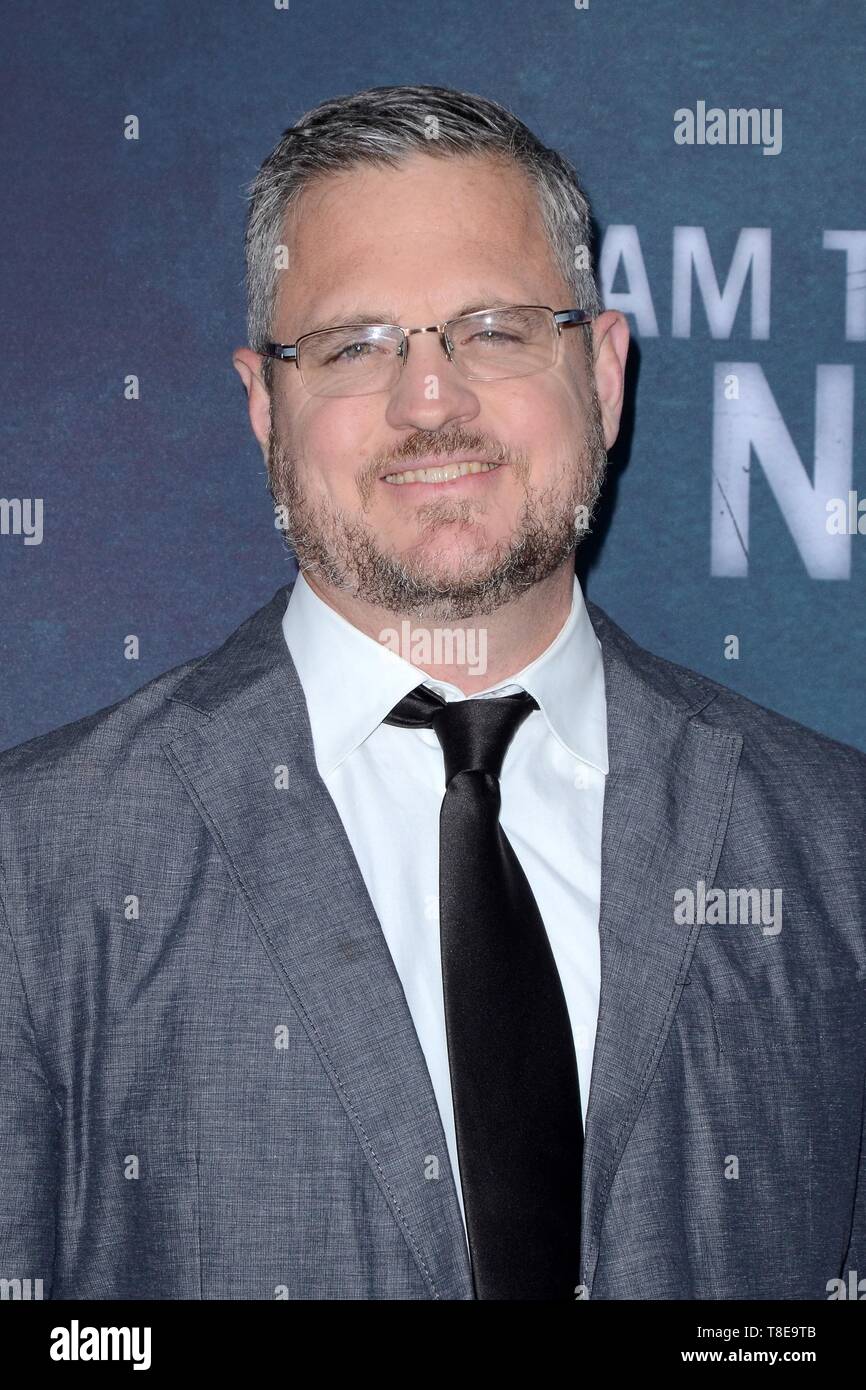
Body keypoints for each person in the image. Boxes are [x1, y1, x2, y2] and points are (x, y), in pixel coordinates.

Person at [1, 84, 864, 1302]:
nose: (429, 401)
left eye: (495, 329)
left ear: (604, 376)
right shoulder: (35, 868)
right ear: (264, 407)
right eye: (354, 345)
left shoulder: (835, 849)